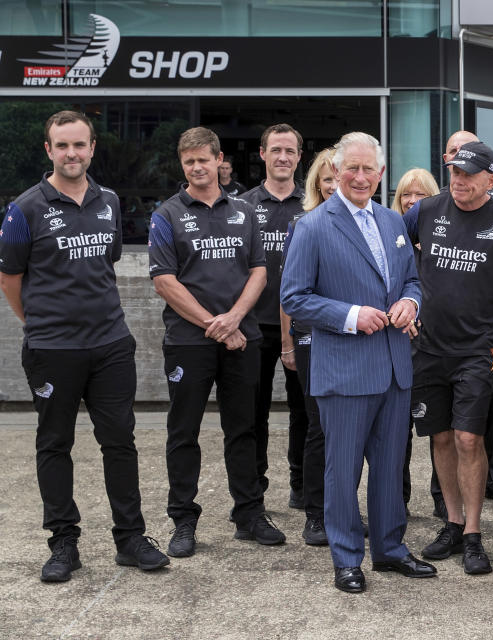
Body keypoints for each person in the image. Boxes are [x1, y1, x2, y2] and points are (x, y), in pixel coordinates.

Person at [0, 110, 169, 582]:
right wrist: (38, 324)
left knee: (120, 442)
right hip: (53, 349)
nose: (71, 153)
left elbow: (107, 261)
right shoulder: (25, 208)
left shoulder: (109, 201)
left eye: (80, 144)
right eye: (62, 145)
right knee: (55, 444)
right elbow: (9, 277)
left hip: (111, 344)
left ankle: (131, 539)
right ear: (49, 150)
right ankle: (63, 543)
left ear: (92, 148)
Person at [281, 131, 436, 594]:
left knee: (390, 468)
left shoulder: (393, 222)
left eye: (370, 169)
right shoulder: (312, 225)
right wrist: (350, 315)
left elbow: (411, 280)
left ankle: (390, 550)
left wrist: (411, 303)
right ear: (335, 170)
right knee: (342, 470)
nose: (361, 176)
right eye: (353, 168)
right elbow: (294, 297)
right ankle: (347, 558)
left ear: (381, 173)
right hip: (345, 370)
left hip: (393, 367)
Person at [148, 127, 285, 558]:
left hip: (243, 338)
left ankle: (249, 514)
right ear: (182, 164)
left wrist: (236, 319)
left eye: (202, 159)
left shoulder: (245, 212)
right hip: (189, 342)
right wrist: (215, 324)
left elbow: (260, 271)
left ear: (218, 159)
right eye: (188, 161)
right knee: (183, 431)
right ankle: (183, 521)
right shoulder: (166, 214)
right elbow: (164, 282)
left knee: (243, 428)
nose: (196, 167)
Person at [404, 141, 493, 575]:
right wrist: (406, 302)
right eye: (455, 172)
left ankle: (475, 532)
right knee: (440, 438)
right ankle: (453, 524)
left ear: (491, 180)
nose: (459, 181)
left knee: (468, 440)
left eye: (469, 174)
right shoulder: (425, 212)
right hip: (427, 348)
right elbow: (395, 257)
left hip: (476, 351)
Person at [240, 124, 309, 509]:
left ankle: (300, 486)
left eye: (290, 151)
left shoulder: (312, 205)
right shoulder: (243, 207)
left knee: (304, 412)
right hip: (254, 325)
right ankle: (256, 490)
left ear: (300, 157)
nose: (283, 157)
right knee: (254, 414)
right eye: (276, 150)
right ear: (263, 154)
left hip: (302, 325)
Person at [292, 148, 337, 546]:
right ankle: (316, 515)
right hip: (312, 337)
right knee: (319, 425)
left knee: (352, 432)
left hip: (355, 339)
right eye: (328, 178)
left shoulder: (370, 224)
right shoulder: (305, 225)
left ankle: (342, 512)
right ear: (317, 185)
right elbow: (291, 294)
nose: (336, 184)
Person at [391, 167, 439, 511]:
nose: (411, 201)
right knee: (397, 432)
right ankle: (397, 500)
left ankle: (442, 501)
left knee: (441, 431)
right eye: (406, 194)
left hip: (437, 348)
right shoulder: (391, 244)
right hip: (399, 346)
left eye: (420, 195)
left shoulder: (443, 244)